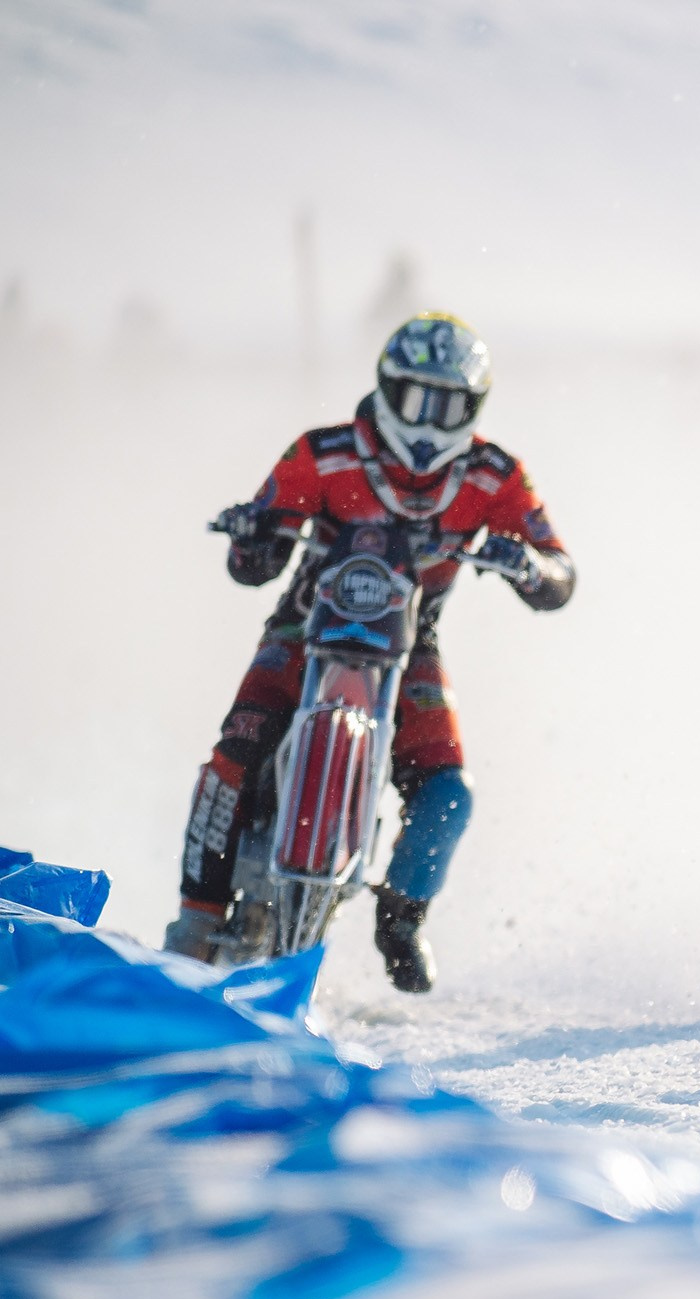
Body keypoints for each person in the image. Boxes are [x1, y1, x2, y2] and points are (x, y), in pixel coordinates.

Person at [163, 313, 575, 992]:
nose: (428, 421)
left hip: (410, 645)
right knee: (231, 761)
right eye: (415, 398)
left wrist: (528, 566)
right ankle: (195, 925)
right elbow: (253, 562)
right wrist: (254, 533)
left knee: (448, 792)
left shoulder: (494, 474)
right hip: (303, 630)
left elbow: (559, 571)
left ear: (475, 408)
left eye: (448, 405)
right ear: (386, 388)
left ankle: (401, 919)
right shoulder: (322, 452)